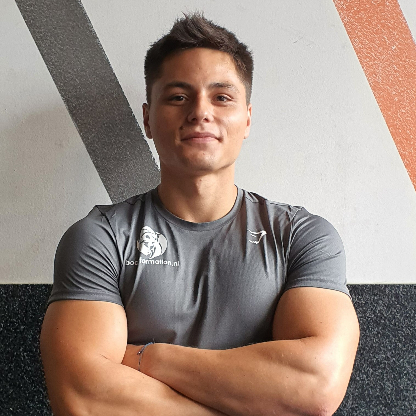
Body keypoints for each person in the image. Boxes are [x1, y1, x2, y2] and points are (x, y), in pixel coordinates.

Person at [40, 13, 359, 416]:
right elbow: (84, 398)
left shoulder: (301, 236)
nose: (200, 112)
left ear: (247, 118)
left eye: (222, 97)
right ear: (147, 119)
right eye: (178, 97)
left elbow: (315, 386)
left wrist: (147, 357)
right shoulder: (101, 238)